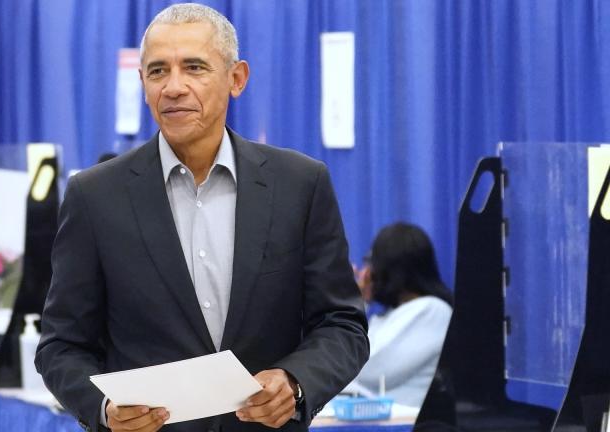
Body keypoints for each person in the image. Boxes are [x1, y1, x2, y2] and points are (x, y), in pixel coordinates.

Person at [35, 4, 369, 432]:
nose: (174, 87)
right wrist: (104, 408)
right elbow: (61, 345)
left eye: (194, 67)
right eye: (158, 71)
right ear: (142, 84)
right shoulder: (95, 196)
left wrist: (296, 382)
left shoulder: (300, 185)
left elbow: (342, 324)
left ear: (236, 79)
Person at [344, 222, 453, 408]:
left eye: (370, 263)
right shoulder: (391, 316)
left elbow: (363, 369)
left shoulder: (431, 310)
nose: (365, 273)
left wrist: (353, 302)